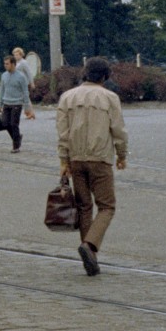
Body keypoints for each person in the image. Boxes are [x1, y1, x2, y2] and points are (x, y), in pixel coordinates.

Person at [57, 57, 128, 276]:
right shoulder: (110, 98)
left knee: (84, 206)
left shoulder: (67, 97)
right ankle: (89, 245)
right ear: (105, 76)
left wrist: (63, 160)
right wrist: (121, 155)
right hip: (100, 159)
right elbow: (118, 130)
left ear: (85, 73)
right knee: (107, 206)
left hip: (76, 159)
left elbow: (62, 132)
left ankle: (91, 259)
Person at [0, 55, 35, 152]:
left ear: (13, 64)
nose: (5, 66)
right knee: (5, 123)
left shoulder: (21, 77)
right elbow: (2, 91)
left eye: (7, 64)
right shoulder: (4, 76)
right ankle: (17, 137)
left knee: (14, 124)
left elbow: (25, 92)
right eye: (4, 64)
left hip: (17, 104)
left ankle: (16, 146)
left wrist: (27, 107)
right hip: (6, 103)